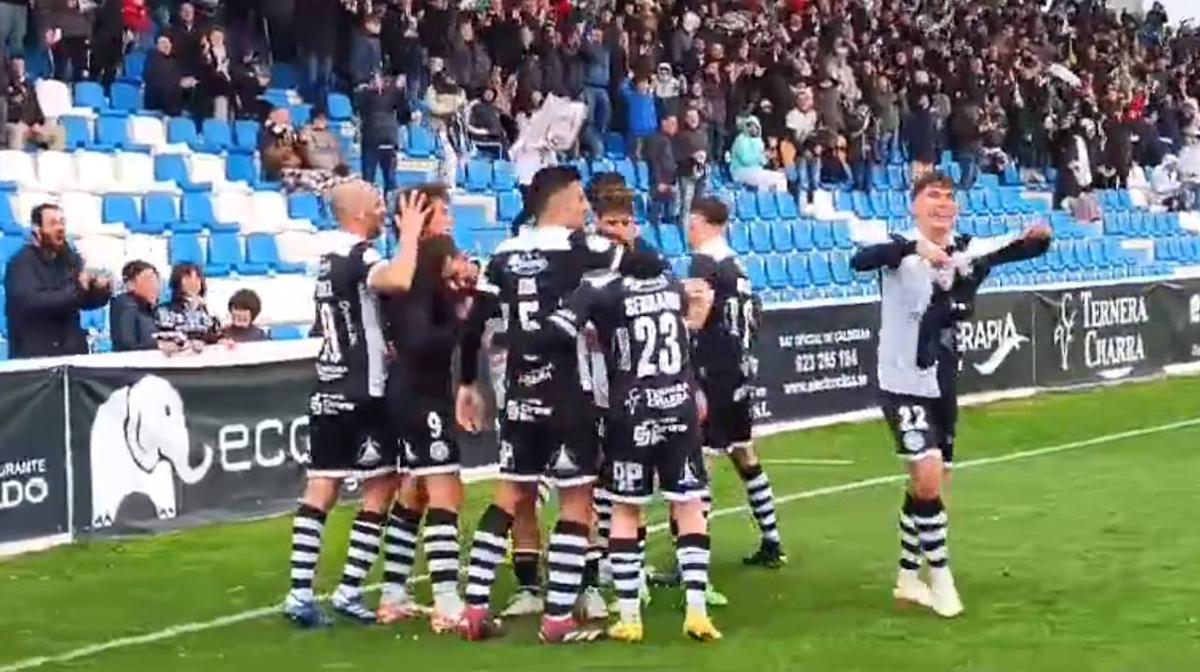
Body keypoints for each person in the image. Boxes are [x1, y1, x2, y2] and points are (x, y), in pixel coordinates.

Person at [849, 171, 1051, 619]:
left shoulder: (967, 249)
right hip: (902, 381)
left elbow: (1017, 248)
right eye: (932, 196)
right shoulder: (899, 248)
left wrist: (1039, 238)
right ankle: (940, 577)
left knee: (934, 484)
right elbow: (858, 261)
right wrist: (914, 248)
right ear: (915, 206)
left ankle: (906, 575)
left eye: (948, 197)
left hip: (943, 382)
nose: (941, 204)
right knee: (926, 473)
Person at [453, 166, 626, 644]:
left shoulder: (504, 254)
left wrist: (467, 383)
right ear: (560, 200)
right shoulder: (590, 250)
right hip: (571, 393)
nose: (586, 208)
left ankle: (474, 607)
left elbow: (473, 326)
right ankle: (557, 617)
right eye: (579, 198)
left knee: (509, 495)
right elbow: (634, 285)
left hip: (520, 393)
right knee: (577, 500)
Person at [527, 228, 722, 643]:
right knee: (688, 504)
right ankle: (697, 611)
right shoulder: (672, 286)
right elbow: (692, 318)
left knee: (625, 510)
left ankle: (630, 616)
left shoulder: (605, 290)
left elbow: (556, 335)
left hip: (630, 410)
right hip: (679, 406)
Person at [283, 181, 425, 628]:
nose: (385, 209)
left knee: (322, 487)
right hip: (365, 390)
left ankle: (300, 594)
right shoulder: (360, 255)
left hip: (327, 384)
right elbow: (398, 279)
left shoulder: (325, 261)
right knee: (380, 487)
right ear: (360, 211)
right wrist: (411, 234)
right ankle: (346, 590)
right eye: (379, 203)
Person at [376, 184, 478, 632]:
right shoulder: (422, 265)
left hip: (410, 390)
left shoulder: (409, 265)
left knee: (414, 490)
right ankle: (446, 599)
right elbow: (419, 339)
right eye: (442, 212)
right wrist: (459, 319)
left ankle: (394, 593)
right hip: (421, 392)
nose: (451, 220)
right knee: (444, 490)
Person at [686, 197, 788, 573]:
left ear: (700, 221)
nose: (687, 229)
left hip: (714, 371)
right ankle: (772, 539)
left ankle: (692, 558)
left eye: (690, 221)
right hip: (741, 370)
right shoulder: (737, 265)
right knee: (743, 451)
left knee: (702, 460)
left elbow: (696, 319)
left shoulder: (705, 263)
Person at [4, 203, 112, 359]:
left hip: (71, 354)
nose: (60, 228)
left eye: (62, 222)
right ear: (36, 230)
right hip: (36, 358)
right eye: (53, 223)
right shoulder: (20, 263)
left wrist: (100, 289)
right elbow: (34, 302)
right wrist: (79, 287)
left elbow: (85, 301)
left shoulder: (70, 259)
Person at [155, 263, 223, 352]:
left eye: (197, 277)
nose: (194, 282)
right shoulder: (165, 310)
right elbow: (167, 335)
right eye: (188, 277)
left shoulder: (208, 312)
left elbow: (216, 335)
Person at [110, 260, 161, 352]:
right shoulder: (126, 305)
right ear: (130, 284)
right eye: (148, 279)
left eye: (156, 279)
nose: (155, 285)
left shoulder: (151, 309)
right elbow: (128, 345)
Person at [729, 116, 788, 192]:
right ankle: (765, 199)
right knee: (767, 179)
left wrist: (767, 157)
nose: (752, 129)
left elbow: (762, 162)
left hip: (756, 171)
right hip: (741, 171)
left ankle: (774, 201)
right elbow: (745, 159)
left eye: (755, 126)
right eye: (749, 126)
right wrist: (761, 157)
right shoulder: (741, 140)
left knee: (780, 178)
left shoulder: (758, 141)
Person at [645, 113, 679, 225]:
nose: (675, 127)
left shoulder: (672, 141)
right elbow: (654, 162)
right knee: (655, 216)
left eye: (676, 124)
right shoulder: (656, 139)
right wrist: (659, 181)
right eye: (672, 123)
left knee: (670, 217)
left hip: (670, 183)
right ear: (664, 123)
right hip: (659, 183)